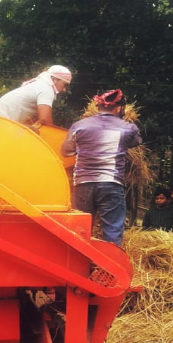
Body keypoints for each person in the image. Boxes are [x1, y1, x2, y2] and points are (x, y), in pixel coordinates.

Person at [60, 89, 142, 246]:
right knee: (112, 231)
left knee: (80, 231)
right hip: (111, 184)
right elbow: (136, 141)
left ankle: (79, 267)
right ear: (119, 108)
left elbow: (66, 151)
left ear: (97, 107)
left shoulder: (79, 126)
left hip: (83, 184)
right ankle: (107, 269)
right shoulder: (128, 128)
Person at [0, 65, 72, 130]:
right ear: (54, 79)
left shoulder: (38, 84)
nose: (64, 89)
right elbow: (45, 120)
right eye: (64, 85)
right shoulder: (47, 88)